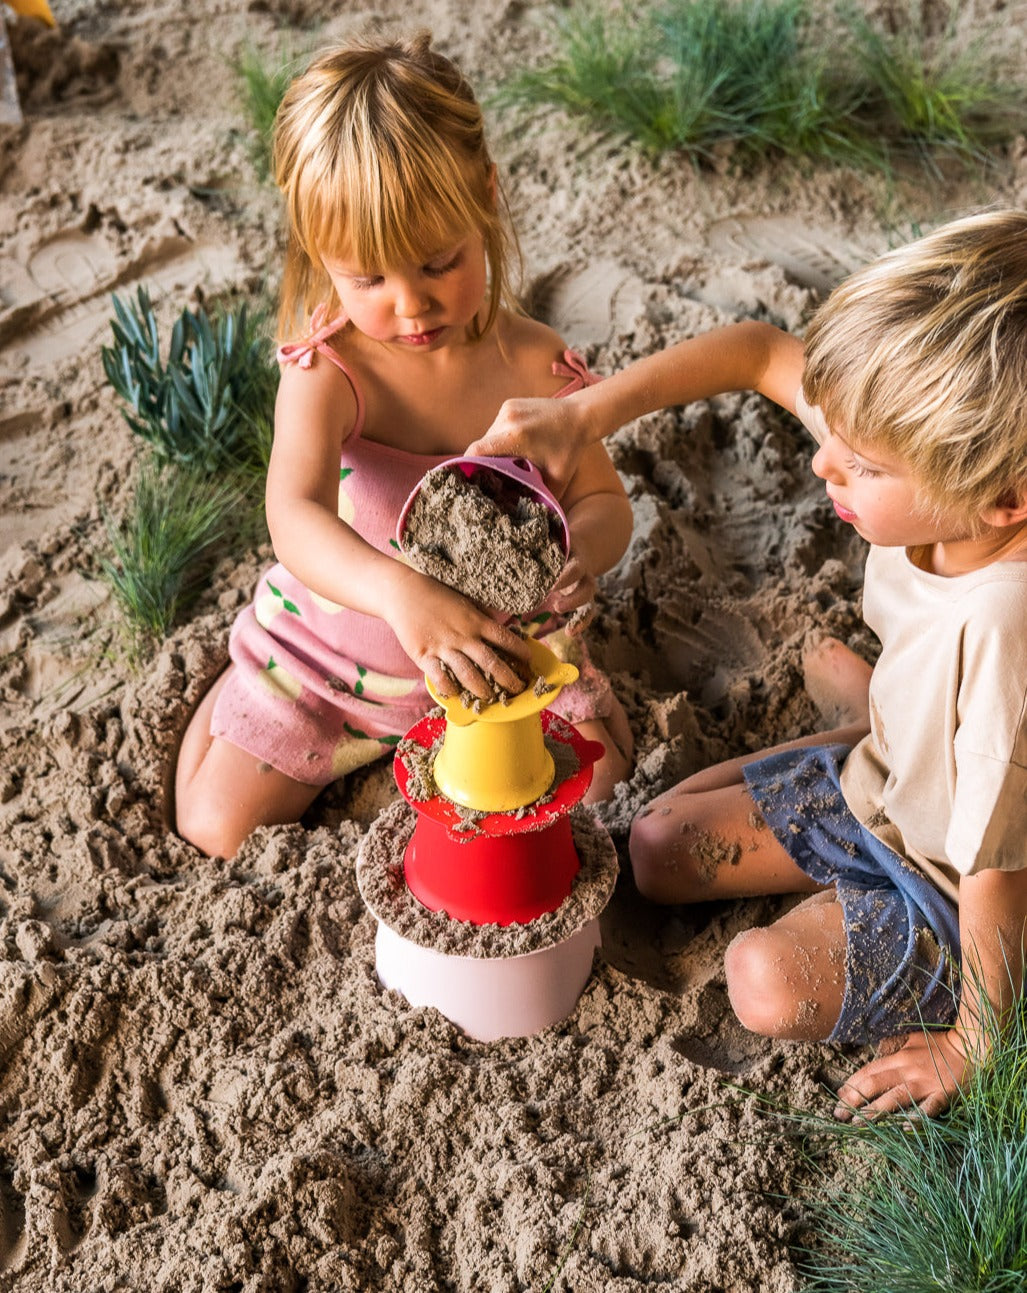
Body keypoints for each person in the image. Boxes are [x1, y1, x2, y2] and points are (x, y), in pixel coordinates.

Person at [469, 209, 1027, 1118]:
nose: (823, 463)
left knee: (764, 981)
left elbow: (999, 866)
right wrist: (582, 415)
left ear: (1005, 499)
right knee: (651, 849)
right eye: (832, 429)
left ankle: (896, 738)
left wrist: (978, 1041)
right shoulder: (913, 433)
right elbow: (760, 351)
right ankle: (881, 722)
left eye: (863, 465)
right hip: (885, 787)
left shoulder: (1006, 632)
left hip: (961, 885)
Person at [173, 34, 633, 860]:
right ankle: (237, 697)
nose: (411, 304)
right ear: (320, 257)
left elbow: (603, 501)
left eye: (438, 262)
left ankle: (424, 757)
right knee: (214, 826)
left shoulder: (532, 362)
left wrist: (580, 555)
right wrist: (399, 594)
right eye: (368, 279)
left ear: (484, 199)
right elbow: (294, 511)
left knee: (604, 791)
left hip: (506, 653)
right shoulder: (333, 369)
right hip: (340, 664)